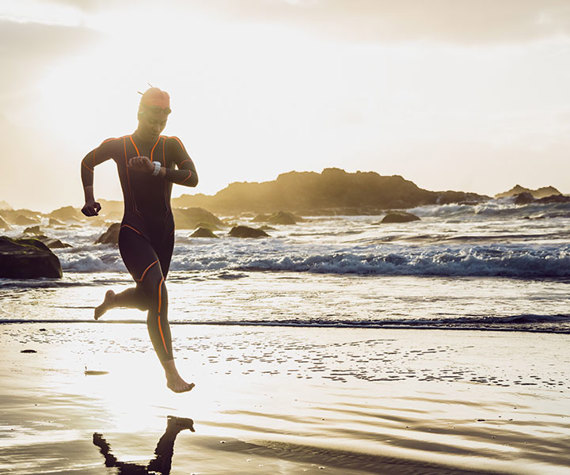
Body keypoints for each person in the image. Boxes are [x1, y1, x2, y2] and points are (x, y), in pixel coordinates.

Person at [80, 87, 198, 393]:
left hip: (165, 233)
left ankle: (115, 300)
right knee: (159, 294)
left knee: (150, 301)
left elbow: (192, 177)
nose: (159, 120)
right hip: (134, 230)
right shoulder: (120, 145)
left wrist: (156, 169)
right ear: (140, 112)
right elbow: (87, 161)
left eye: (165, 114)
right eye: (153, 113)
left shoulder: (171, 146)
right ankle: (172, 375)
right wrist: (89, 199)